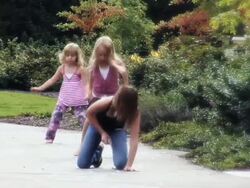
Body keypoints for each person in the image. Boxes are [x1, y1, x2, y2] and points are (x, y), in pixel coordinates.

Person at [75, 36, 128, 158]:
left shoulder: (116, 63)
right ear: (96, 53)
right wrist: (88, 93)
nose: (103, 58)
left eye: (105, 55)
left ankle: (118, 146)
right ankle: (82, 144)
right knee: (89, 119)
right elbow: (90, 82)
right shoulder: (94, 65)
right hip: (97, 97)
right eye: (100, 55)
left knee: (117, 119)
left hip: (112, 98)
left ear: (111, 53)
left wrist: (119, 69)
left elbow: (125, 79)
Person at [31, 43, 88, 143]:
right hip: (64, 98)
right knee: (56, 116)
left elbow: (86, 84)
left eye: (73, 55)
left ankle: (90, 139)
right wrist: (40, 88)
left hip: (78, 99)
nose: (70, 57)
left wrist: (88, 95)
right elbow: (52, 80)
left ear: (77, 56)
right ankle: (49, 137)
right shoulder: (62, 68)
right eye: (68, 55)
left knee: (84, 119)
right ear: (64, 56)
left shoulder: (80, 69)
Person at [77, 85, 141, 171]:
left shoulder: (134, 112)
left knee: (121, 164)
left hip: (116, 131)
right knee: (82, 164)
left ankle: (120, 160)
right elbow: (89, 114)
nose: (114, 97)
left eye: (118, 97)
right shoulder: (106, 102)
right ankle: (97, 153)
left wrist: (129, 165)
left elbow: (134, 139)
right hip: (97, 128)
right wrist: (102, 132)